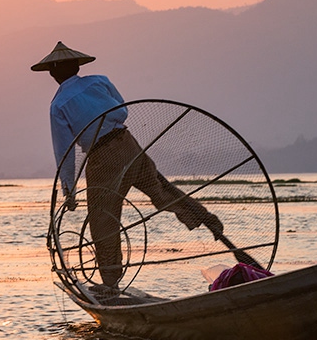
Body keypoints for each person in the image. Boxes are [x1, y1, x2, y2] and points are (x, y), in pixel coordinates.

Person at [32, 42, 223, 288]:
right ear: (76, 67)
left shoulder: (58, 105)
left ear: (53, 73)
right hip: (128, 143)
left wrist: (69, 189)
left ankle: (110, 282)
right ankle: (208, 220)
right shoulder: (99, 81)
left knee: (103, 220)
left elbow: (64, 151)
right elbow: (120, 105)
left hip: (102, 157)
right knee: (161, 190)